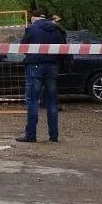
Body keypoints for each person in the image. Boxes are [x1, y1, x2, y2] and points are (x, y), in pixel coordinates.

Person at [15, 9, 66, 143]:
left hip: (34, 66)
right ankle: (53, 136)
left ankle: (31, 135)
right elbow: (63, 49)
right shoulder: (56, 29)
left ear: (34, 18)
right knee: (51, 103)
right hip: (52, 67)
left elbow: (23, 48)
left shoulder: (31, 29)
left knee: (32, 101)